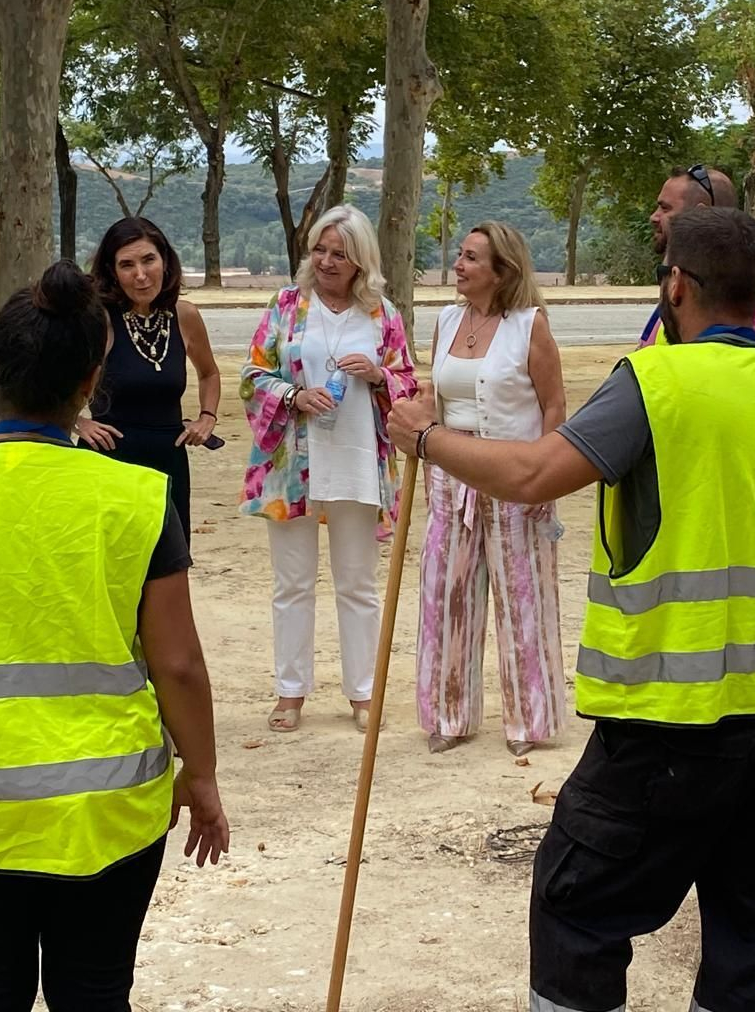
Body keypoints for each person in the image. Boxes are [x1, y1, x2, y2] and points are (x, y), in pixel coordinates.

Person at [390, 206, 755, 1012]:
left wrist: (427, 439)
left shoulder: (654, 382)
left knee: (577, 906)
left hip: (665, 723)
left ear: (676, 285)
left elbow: (537, 474)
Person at [0, 259, 229, 1010]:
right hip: (105, 812)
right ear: (95, 372)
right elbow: (179, 664)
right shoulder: (135, 494)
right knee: (95, 996)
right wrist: (201, 775)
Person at [240, 204, 417, 734]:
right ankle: (290, 692)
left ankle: (363, 693)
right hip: (291, 464)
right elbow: (252, 376)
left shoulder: (382, 314)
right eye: (320, 249)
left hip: (359, 462)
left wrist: (380, 375)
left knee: (357, 583)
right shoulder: (287, 305)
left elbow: (408, 382)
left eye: (340, 253)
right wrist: (294, 395)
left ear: (361, 260)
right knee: (291, 582)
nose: (327, 260)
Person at [419, 222, 568, 757]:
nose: (459, 265)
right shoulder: (445, 319)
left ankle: (531, 719)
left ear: (501, 270)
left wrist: (548, 473)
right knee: (446, 591)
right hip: (451, 472)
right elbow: (435, 397)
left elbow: (554, 406)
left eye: (472, 258)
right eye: (460, 255)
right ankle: (448, 715)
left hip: (514, 469)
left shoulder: (530, 326)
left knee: (522, 595)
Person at [78, 217, 222, 543]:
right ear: (112, 272)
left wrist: (207, 417)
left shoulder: (185, 316)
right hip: (111, 459)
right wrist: (79, 423)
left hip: (168, 459)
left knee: (168, 567)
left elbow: (209, 373)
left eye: (148, 260)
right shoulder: (100, 319)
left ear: (165, 261)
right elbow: (52, 380)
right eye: (126, 265)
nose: (140, 275)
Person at [640, 164, 755, 345]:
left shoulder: (732, 290)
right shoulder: (690, 280)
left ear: (700, 212)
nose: (654, 217)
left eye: (665, 208)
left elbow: (727, 364)